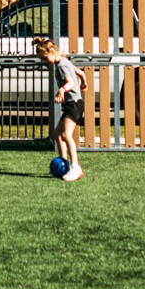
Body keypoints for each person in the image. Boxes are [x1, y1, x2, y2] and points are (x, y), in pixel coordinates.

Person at [32, 37, 85, 181]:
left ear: (51, 51)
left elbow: (70, 83)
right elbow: (80, 73)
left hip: (74, 104)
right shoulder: (64, 61)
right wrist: (84, 83)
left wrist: (61, 90)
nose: (44, 62)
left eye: (44, 58)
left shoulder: (61, 65)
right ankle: (65, 163)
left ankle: (75, 168)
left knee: (67, 135)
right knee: (57, 134)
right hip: (72, 103)